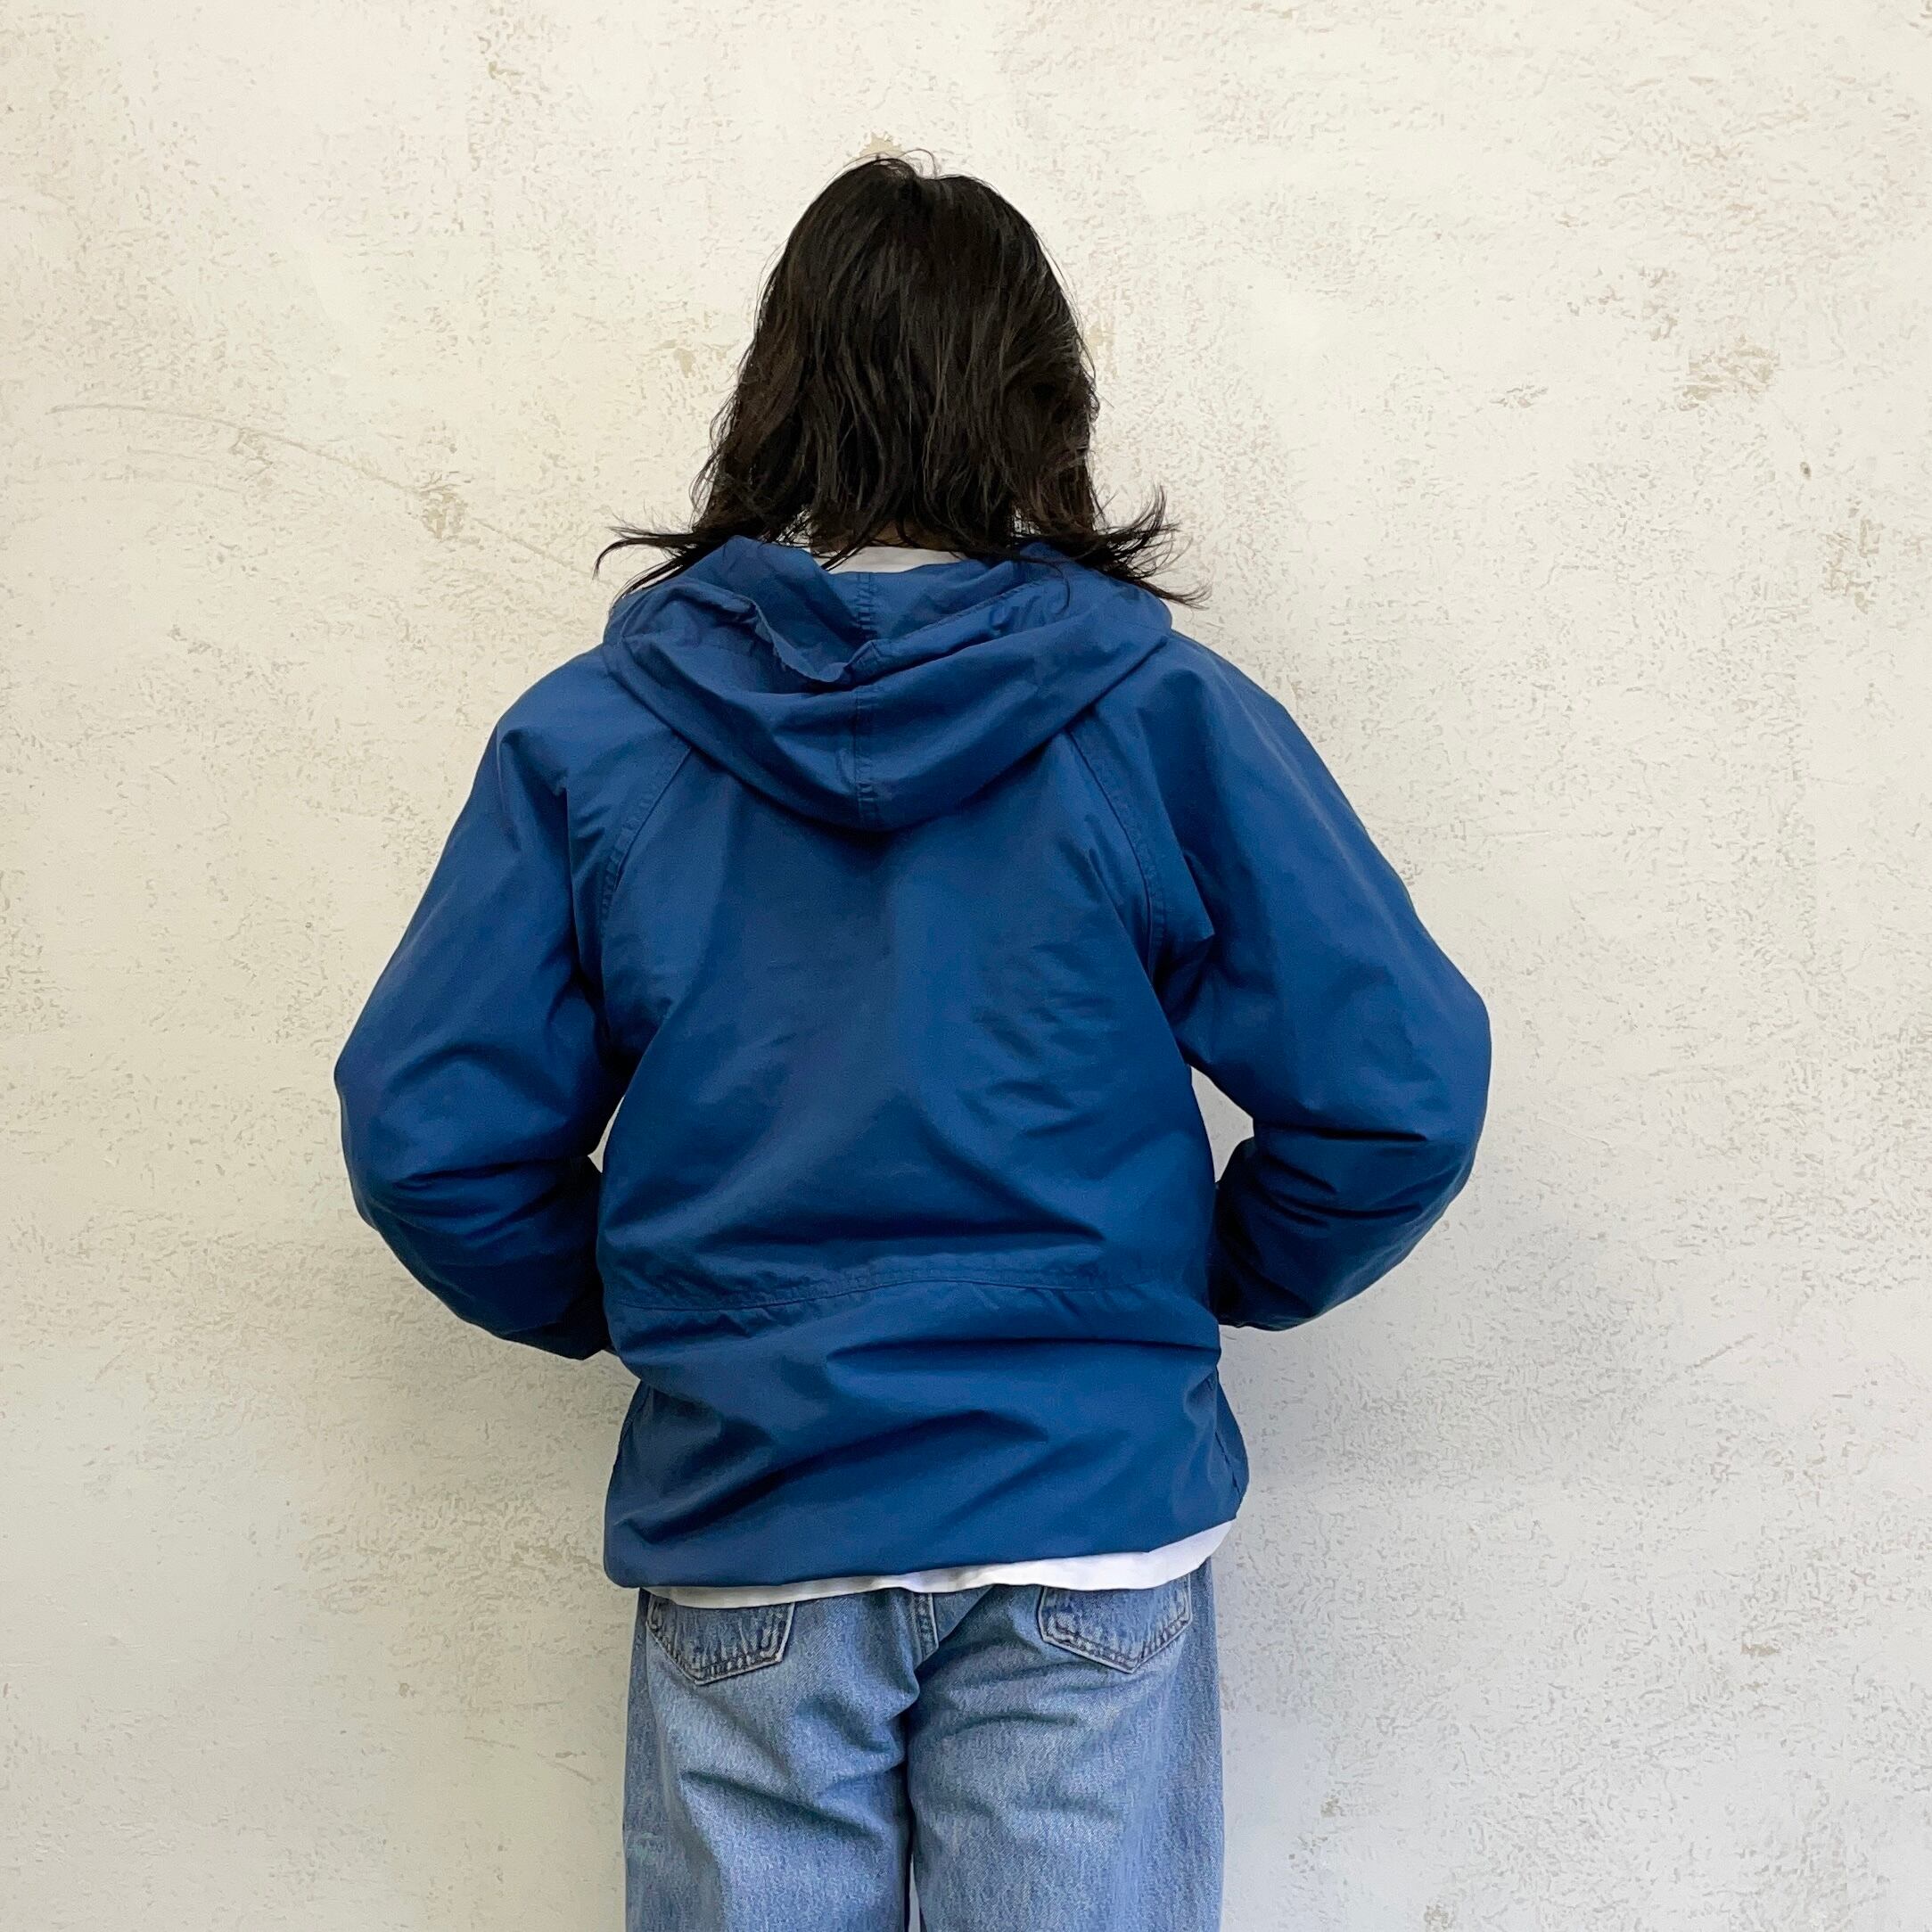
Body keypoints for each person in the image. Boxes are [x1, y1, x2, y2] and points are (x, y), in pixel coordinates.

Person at [333, 152, 1491, 1932]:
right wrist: (1197, 1283)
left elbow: (430, 1132)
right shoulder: (1156, 715)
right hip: (1084, 1506)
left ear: (778, 389)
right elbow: (1395, 1092)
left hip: (755, 1517)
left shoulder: (601, 735)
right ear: (1042, 403)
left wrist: (656, 1313)